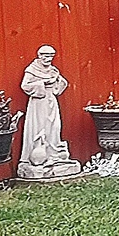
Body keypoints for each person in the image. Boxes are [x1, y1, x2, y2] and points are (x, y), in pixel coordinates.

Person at [17, 45, 81, 179]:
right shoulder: (32, 69)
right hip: (38, 102)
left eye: (51, 56)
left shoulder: (53, 70)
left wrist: (57, 80)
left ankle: (54, 154)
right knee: (39, 128)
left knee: (55, 126)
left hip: (51, 100)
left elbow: (62, 83)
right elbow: (25, 85)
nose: (49, 59)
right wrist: (42, 84)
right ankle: (39, 156)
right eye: (46, 56)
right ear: (40, 56)